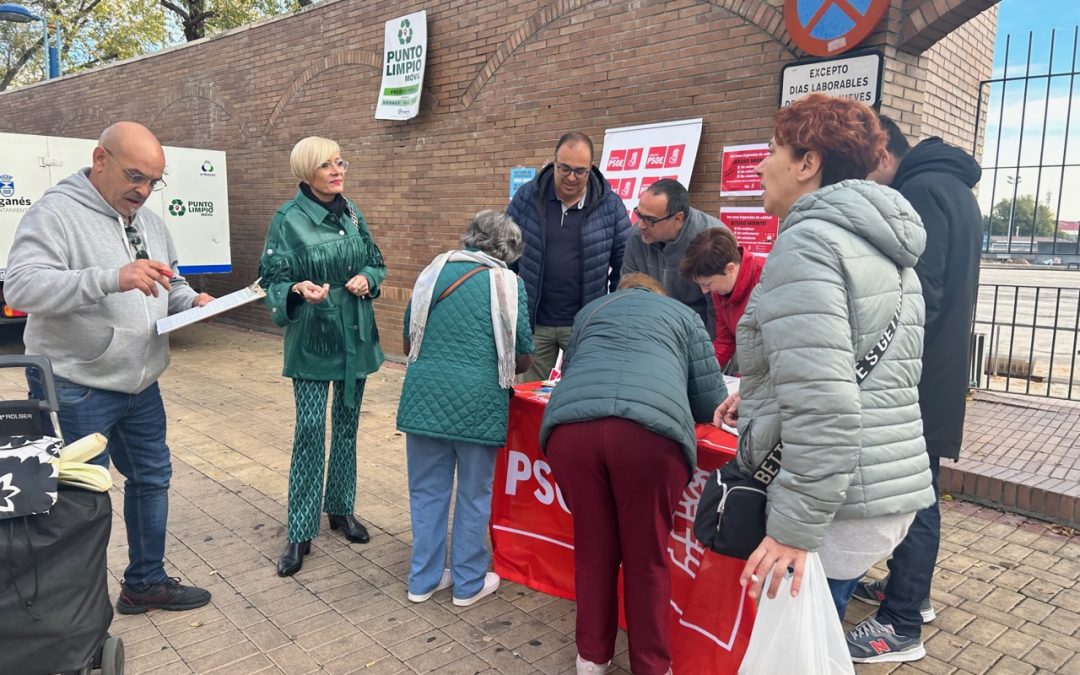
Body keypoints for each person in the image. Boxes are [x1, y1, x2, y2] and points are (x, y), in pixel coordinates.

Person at [713, 93, 935, 641]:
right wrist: (763, 391)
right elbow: (866, 370)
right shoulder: (884, 245)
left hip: (833, 505)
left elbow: (827, 403)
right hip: (881, 485)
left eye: (772, 151)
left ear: (807, 163)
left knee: (799, 650)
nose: (762, 165)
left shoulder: (808, 243)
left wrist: (792, 531)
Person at [5, 121, 214, 614]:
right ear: (100, 160)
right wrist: (110, 278)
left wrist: (194, 301)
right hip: (77, 382)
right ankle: (78, 608)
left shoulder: (150, 223)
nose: (143, 191)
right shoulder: (56, 213)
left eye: (153, 182)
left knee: (151, 478)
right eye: (135, 177)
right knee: (84, 496)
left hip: (141, 381)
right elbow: (21, 288)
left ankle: (145, 583)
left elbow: (171, 284)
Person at [846, 116, 984, 663]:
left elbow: (915, 292)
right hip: (939, 368)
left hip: (917, 376)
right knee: (918, 485)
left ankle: (900, 624)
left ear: (883, 157)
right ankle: (912, 592)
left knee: (914, 493)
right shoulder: (952, 186)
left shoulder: (922, 191)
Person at [541, 273, 725, 675]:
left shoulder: (592, 311)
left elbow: (569, 373)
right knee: (647, 556)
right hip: (649, 438)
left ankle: (591, 657)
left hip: (572, 433)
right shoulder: (682, 316)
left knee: (594, 547)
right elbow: (711, 401)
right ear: (658, 293)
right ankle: (652, 664)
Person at [258, 136, 385, 577]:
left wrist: (368, 278)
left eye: (340, 162)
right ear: (306, 172)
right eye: (327, 165)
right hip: (314, 338)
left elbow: (376, 259)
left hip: (355, 335)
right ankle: (299, 529)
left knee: (347, 426)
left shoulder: (351, 212)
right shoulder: (288, 220)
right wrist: (296, 289)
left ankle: (341, 509)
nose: (338, 171)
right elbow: (270, 280)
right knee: (311, 430)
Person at [397, 210, 534, 607]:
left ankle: (422, 579)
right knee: (474, 495)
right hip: (480, 402)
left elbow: (409, 340)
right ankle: (469, 582)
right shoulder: (508, 283)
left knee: (426, 492)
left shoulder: (432, 271)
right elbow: (523, 355)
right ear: (507, 249)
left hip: (424, 398)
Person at [507, 131, 630, 381]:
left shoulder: (610, 205)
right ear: (554, 163)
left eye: (580, 171)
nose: (571, 177)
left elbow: (624, 263)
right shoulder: (527, 198)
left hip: (584, 324)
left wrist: (612, 314)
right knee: (526, 395)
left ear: (590, 169)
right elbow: (506, 256)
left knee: (582, 391)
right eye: (564, 168)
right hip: (534, 323)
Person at [621, 179, 728, 332]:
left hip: (697, 329)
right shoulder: (637, 236)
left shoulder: (712, 239)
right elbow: (628, 292)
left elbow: (719, 309)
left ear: (678, 218)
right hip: (652, 327)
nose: (641, 225)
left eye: (650, 220)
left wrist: (709, 349)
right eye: (639, 214)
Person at [678, 227, 766, 370]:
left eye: (707, 284)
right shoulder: (720, 290)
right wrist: (702, 372)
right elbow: (725, 340)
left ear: (730, 268)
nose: (704, 291)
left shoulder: (768, 278)